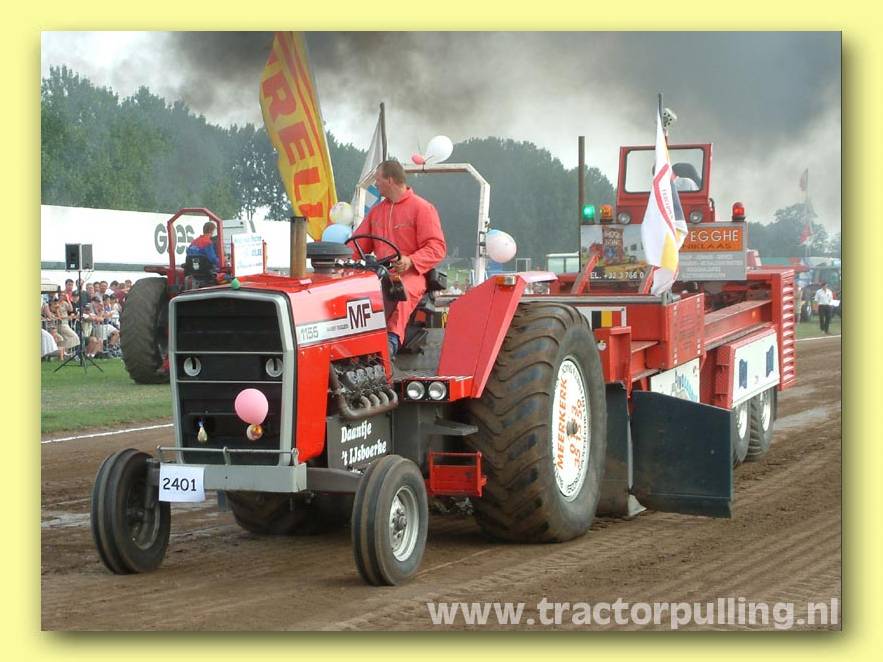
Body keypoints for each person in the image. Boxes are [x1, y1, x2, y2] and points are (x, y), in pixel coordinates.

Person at [351, 159, 447, 357]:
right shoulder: (377, 211)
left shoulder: (422, 208)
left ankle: (390, 342)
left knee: (400, 291)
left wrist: (410, 260)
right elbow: (357, 244)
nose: (376, 184)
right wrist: (338, 255)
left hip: (412, 273)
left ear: (390, 180)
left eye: (378, 180)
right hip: (380, 273)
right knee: (354, 292)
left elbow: (437, 247)